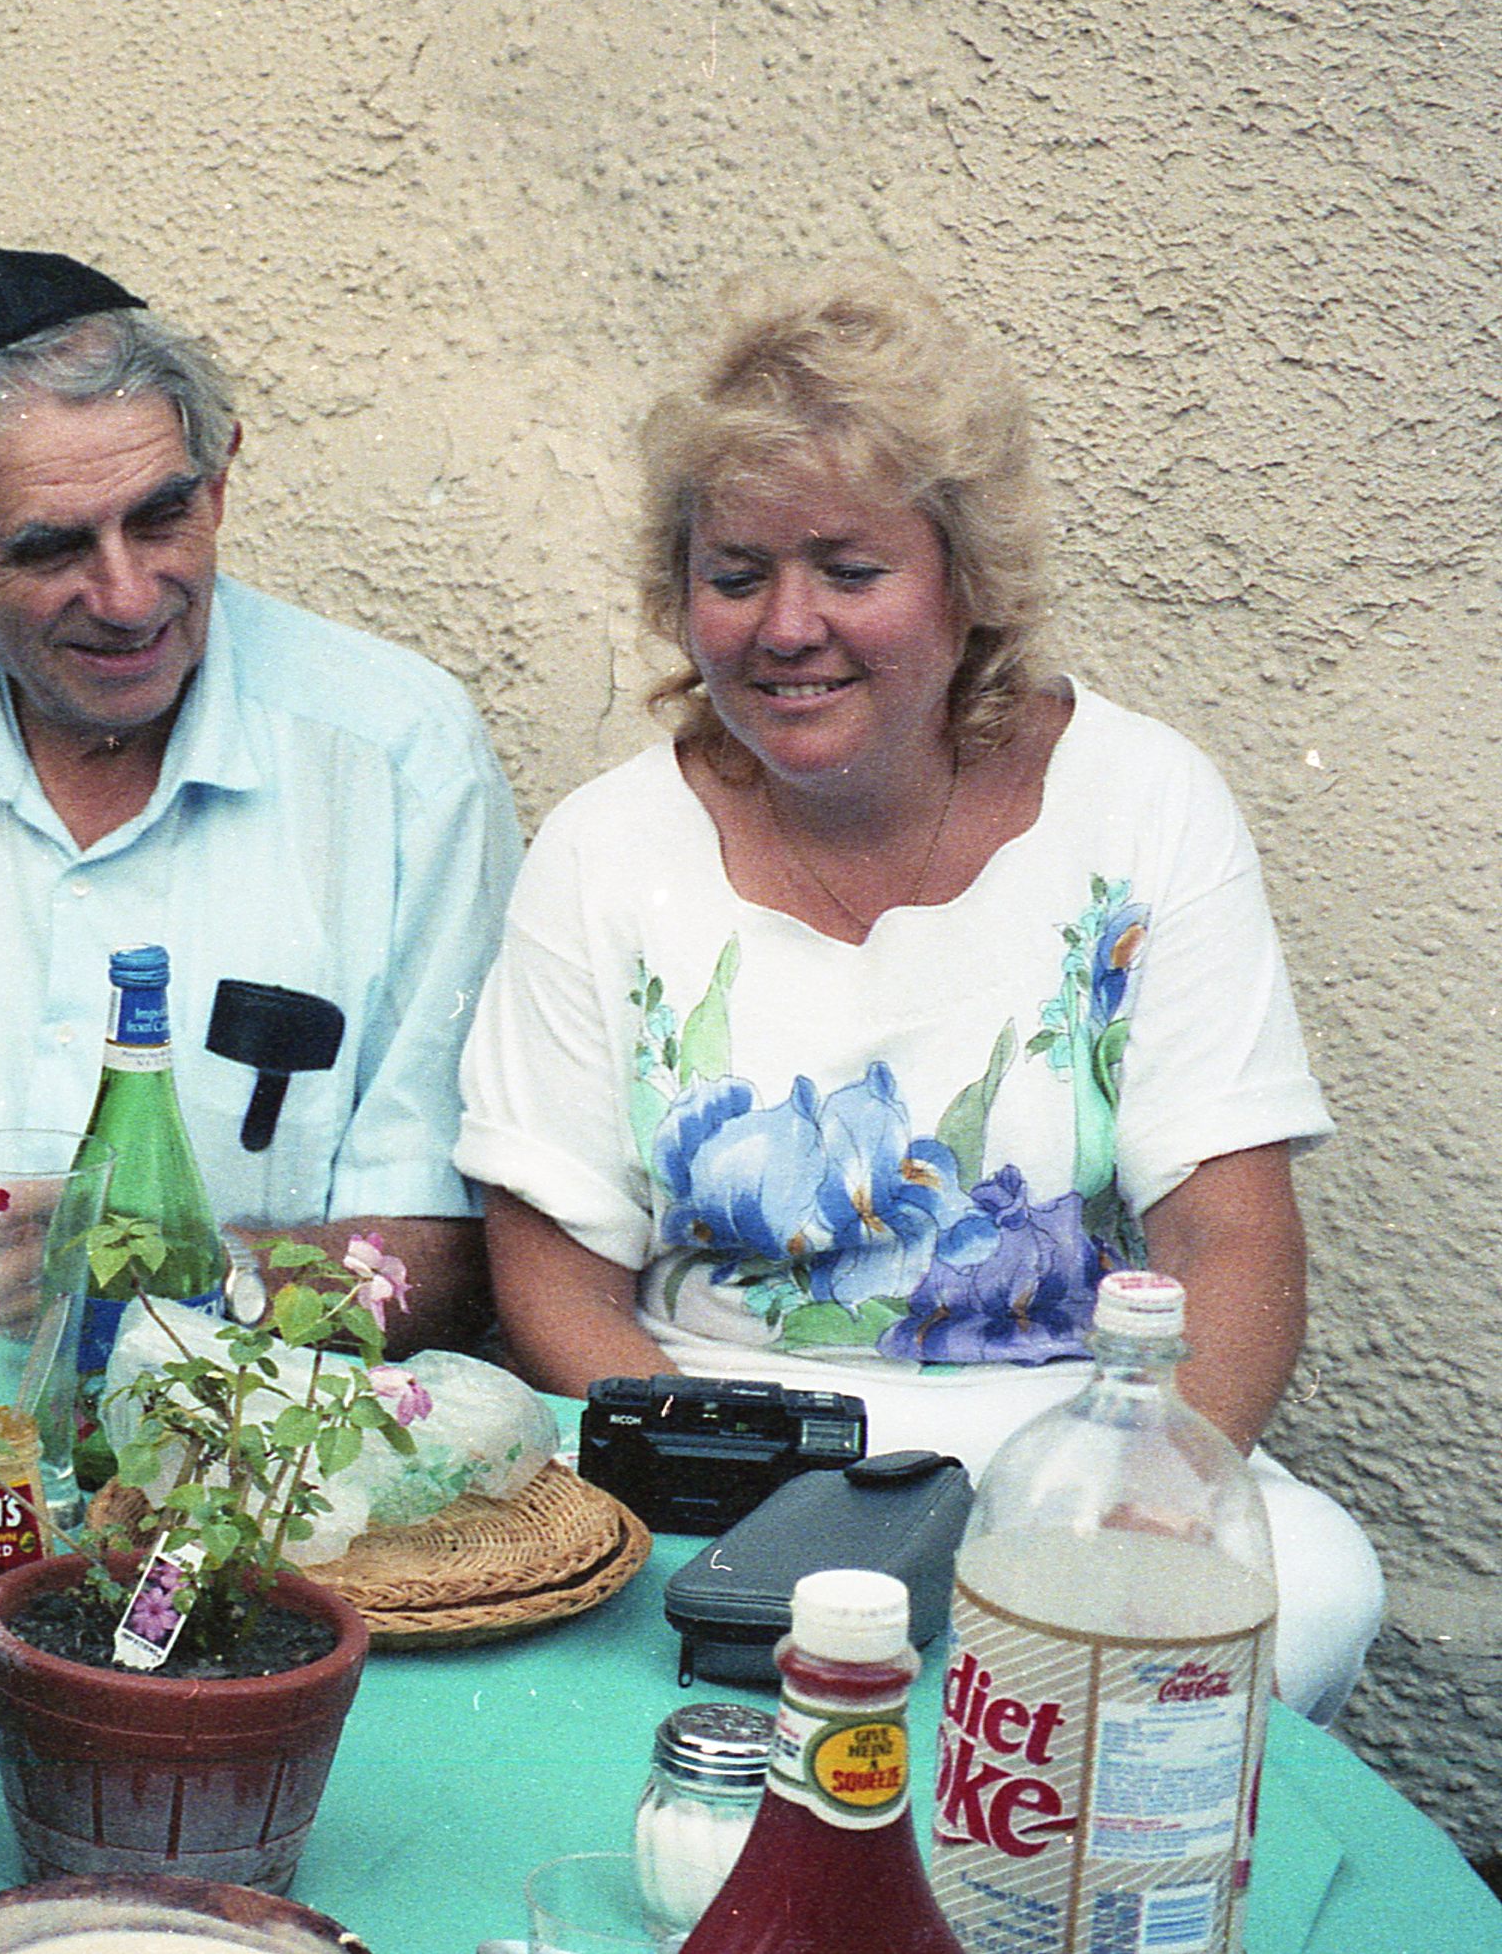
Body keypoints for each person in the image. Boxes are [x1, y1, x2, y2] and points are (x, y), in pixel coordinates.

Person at [453, 263, 1382, 1719]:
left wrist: (1154, 1483)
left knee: (1315, 1577)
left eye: (851, 567)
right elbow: (555, 1267)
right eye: (737, 572)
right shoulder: (604, 849)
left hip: (1062, 1445)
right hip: (721, 1442)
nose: (785, 625)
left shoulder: (1141, 804)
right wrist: (714, 1479)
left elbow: (1231, 1224)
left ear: (969, 583)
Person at [0, 245, 521, 1345]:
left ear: (218, 484)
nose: (126, 597)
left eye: (162, 518)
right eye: (52, 547)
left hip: (266, 1468)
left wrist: (199, 1277)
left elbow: (456, 1255)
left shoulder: (398, 756)